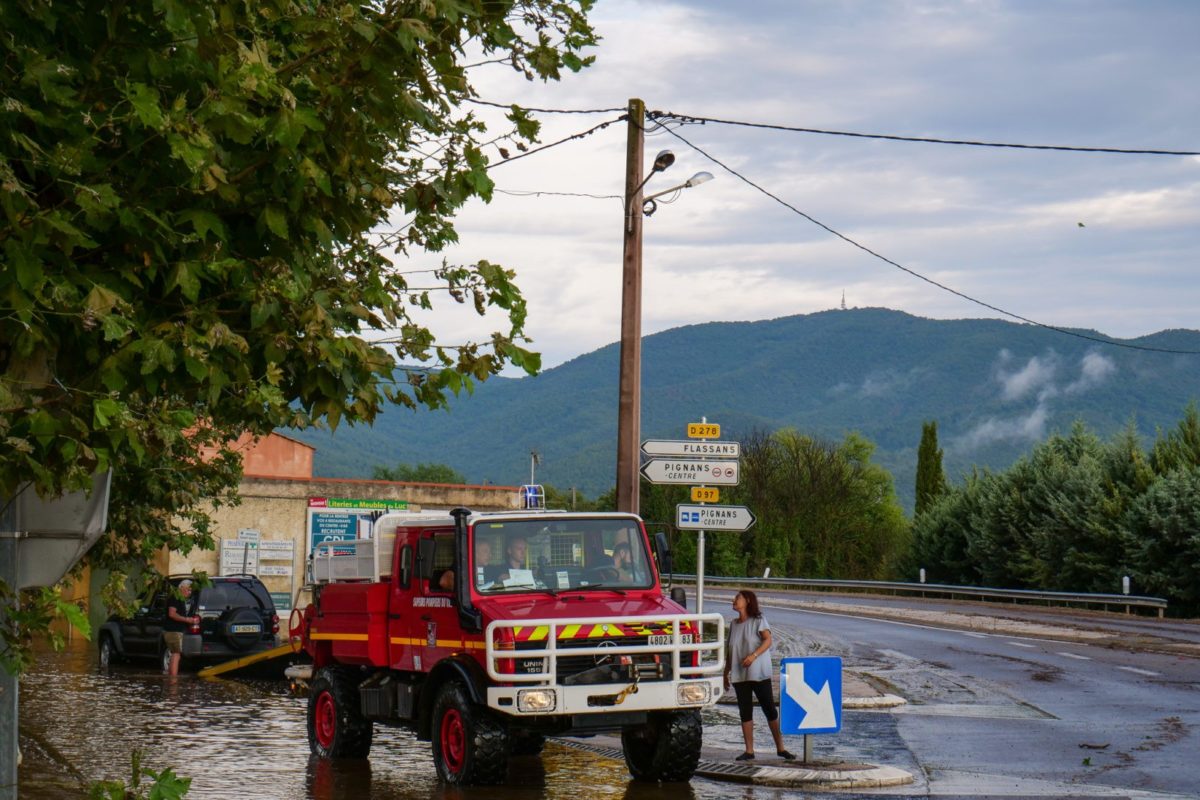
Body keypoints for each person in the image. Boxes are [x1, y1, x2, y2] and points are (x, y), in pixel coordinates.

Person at [724, 589, 795, 761]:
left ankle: (781, 748)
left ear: (747, 600)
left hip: (759, 673)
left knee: (769, 709)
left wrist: (753, 655)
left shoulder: (758, 620)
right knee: (745, 711)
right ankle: (749, 751)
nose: (734, 600)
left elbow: (768, 640)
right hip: (740, 674)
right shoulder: (733, 624)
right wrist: (725, 672)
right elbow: (730, 649)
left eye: (737, 598)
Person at [164, 579, 199, 677]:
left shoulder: (179, 598)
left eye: (191, 590)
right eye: (188, 590)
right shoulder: (175, 597)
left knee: (175, 654)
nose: (189, 592)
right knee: (176, 654)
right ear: (182, 588)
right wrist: (187, 620)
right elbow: (172, 614)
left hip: (173, 631)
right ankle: (174, 678)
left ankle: (171, 676)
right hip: (173, 630)